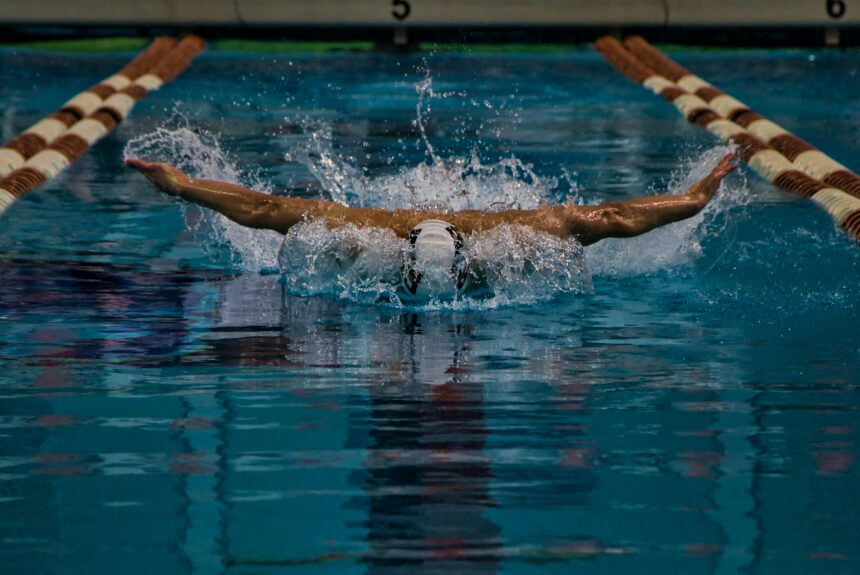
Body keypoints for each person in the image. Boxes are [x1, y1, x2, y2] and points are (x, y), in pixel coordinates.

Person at [127, 152, 738, 299]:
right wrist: (181, 185)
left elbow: (608, 217)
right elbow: (262, 209)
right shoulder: (372, 229)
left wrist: (692, 200)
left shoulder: (518, 230)